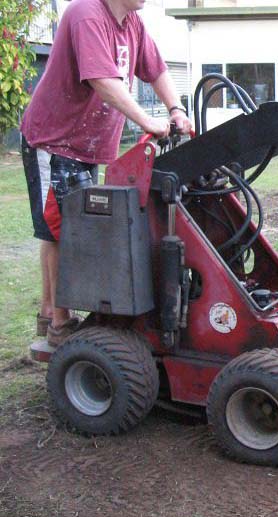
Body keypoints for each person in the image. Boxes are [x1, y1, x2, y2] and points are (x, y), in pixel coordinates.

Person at [20, 0, 192, 346]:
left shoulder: (131, 24)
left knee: (67, 226)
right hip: (54, 141)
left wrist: (176, 109)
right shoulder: (86, 14)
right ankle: (60, 324)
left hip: (85, 146)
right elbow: (101, 79)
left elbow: (156, 69)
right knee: (60, 230)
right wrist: (147, 121)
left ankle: (48, 310)